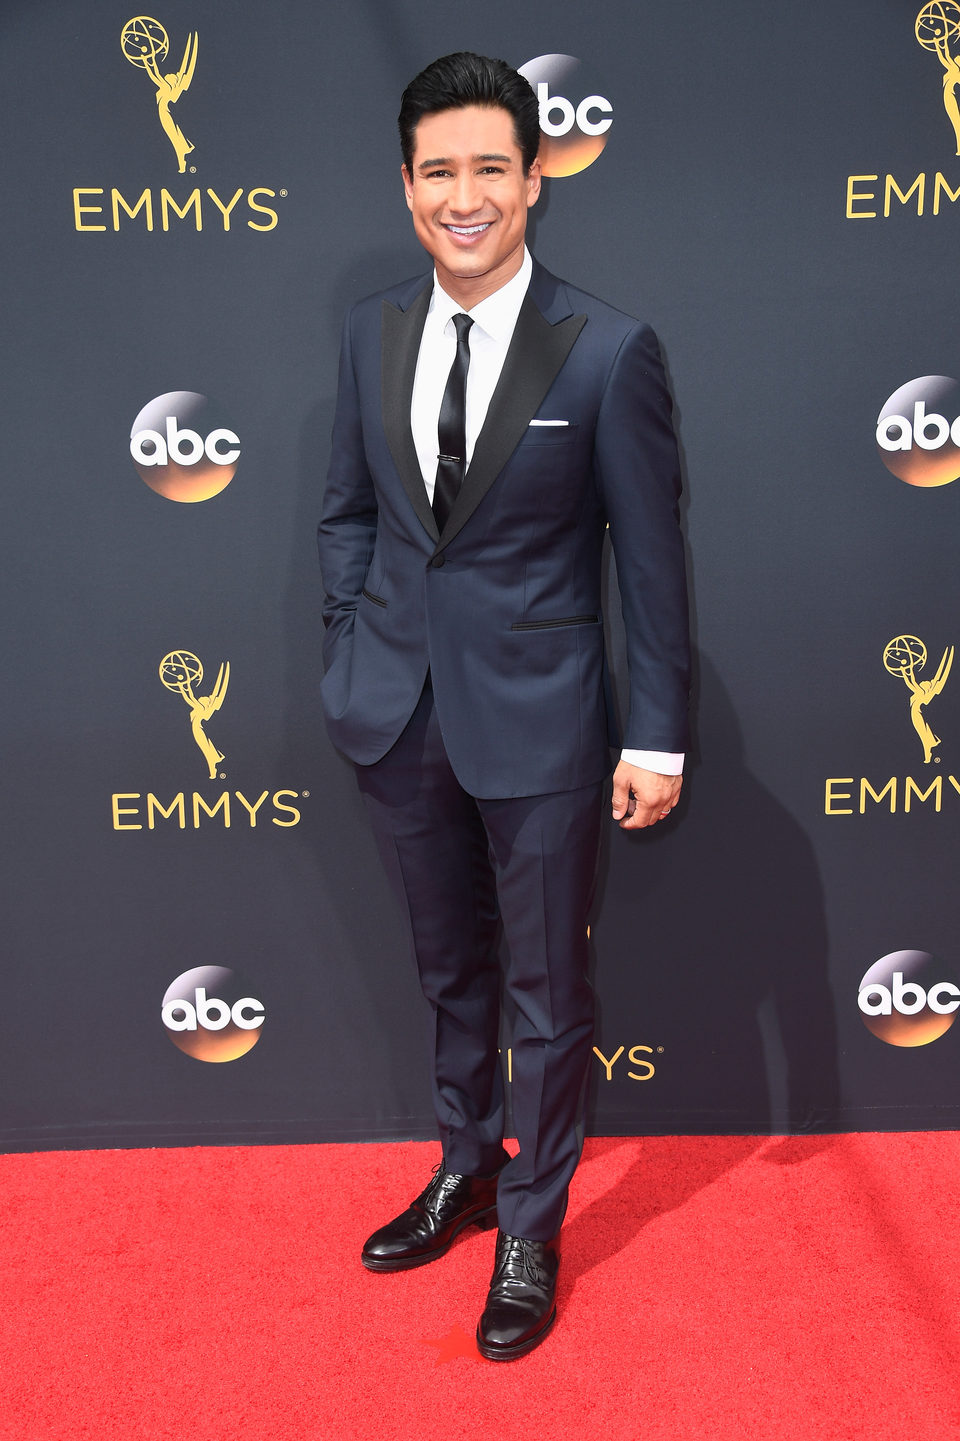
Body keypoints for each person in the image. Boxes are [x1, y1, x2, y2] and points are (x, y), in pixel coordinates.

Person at [317, 51, 690, 1361]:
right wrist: (349, 643)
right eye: (437, 171)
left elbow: (650, 559)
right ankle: (464, 1166)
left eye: (490, 167)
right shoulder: (370, 330)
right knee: (447, 967)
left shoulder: (607, 349)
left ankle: (533, 1223)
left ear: (534, 177)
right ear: (407, 185)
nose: (462, 196)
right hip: (392, 711)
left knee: (546, 990)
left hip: (540, 718)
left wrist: (656, 730)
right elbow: (350, 513)